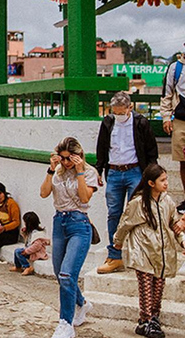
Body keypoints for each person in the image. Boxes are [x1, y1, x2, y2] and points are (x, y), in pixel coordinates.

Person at [115, 164, 185, 338]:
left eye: (167, 179)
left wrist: (183, 241)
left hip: (161, 252)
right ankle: (146, 320)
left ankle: (153, 318)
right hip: (142, 250)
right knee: (146, 286)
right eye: (162, 180)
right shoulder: (138, 203)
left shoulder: (167, 201)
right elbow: (125, 224)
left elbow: (174, 225)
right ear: (151, 183)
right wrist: (118, 242)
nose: (166, 183)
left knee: (158, 286)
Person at [40, 137, 99, 338]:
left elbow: (84, 197)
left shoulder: (90, 173)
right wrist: (51, 169)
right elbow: (43, 193)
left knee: (67, 274)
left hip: (79, 224)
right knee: (60, 273)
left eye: (69, 158)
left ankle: (65, 323)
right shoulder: (57, 172)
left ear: (78, 155)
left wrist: (80, 171)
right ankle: (81, 303)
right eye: (62, 158)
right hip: (59, 223)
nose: (65, 163)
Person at [96, 91, 158, 274]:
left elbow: (151, 149)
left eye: (121, 112)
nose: (119, 115)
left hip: (135, 171)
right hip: (114, 171)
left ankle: (139, 253)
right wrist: (99, 170)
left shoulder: (140, 123)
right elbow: (101, 147)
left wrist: (151, 174)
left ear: (129, 108)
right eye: (115, 112)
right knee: (114, 214)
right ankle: (115, 255)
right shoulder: (108, 122)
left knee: (138, 213)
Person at [161, 51, 185, 213]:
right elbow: (167, 94)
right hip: (181, 119)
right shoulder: (175, 68)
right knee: (183, 160)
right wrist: (166, 117)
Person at [11, 211, 50, 276]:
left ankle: (27, 267)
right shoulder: (30, 231)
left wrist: (26, 251)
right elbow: (27, 239)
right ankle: (18, 267)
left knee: (19, 252)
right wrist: (23, 232)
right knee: (16, 251)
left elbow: (36, 246)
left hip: (37, 253)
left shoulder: (37, 234)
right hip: (31, 251)